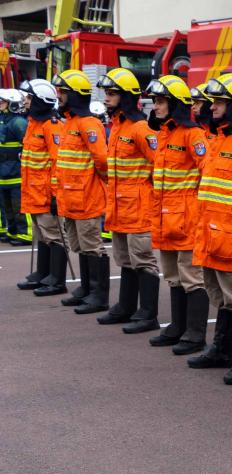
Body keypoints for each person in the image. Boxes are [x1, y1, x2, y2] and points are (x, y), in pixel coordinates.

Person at [182, 74, 232, 385]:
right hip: (212, 236)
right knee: (222, 298)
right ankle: (221, 349)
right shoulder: (218, 141)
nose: (213, 107)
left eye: (220, 102)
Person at [144, 76, 210, 355]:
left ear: (174, 104)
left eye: (160, 101)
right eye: (155, 102)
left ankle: (195, 333)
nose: (155, 107)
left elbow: (207, 170)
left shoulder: (193, 135)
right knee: (172, 275)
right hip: (165, 216)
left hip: (186, 218)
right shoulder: (164, 133)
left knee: (191, 276)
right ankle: (178, 327)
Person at [94, 68, 161, 333]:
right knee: (124, 259)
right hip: (120, 206)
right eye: (107, 94)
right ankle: (126, 306)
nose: (107, 98)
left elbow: (160, 165)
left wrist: (150, 195)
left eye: (112, 94)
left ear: (126, 97)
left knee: (143, 259)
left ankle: (148, 314)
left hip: (139, 206)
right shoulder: (118, 126)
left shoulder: (142, 129)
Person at [52, 70, 110, 314]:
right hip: (70, 198)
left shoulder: (89, 124)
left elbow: (102, 161)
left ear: (75, 95)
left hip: (87, 198)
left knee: (92, 246)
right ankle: (87, 288)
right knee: (79, 246)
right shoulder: (70, 123)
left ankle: (99, 294)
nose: (59, 96)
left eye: (63, 92)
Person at [17, 80, 67, 296]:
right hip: (33, 190)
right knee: (41, 234)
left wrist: (56, 194)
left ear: (39, 100)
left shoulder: (51, 125)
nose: (26, 101)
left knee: (53, 235)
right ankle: (43, 273)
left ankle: (56, 280)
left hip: (46, 192)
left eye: (29, 97)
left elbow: (58, 161)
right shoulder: (33, 123)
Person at [0, 89, 30, 246]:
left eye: (3, 102)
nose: (0, 104)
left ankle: (25, 233)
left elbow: (28, 146)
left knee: (19, 205)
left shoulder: (19, 122)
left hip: (16, 171)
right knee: (7, 206)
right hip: (4, 172)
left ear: (11, 104)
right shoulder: (3, 120)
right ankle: (11, 231)